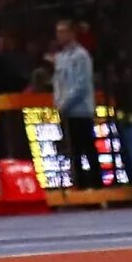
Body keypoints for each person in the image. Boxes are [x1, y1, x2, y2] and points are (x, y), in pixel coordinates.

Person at [48, 20, 100, 192]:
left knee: (87, 147)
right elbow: (58, 83)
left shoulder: (81, 56)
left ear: (71, 33)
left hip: (81, 109)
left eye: (63, 32)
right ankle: (79, 183)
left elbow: (81, 84)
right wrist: (57, 103)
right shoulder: (61, 57)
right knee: (73, 149)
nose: (60, 36)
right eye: (58, 32)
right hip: (66, 110)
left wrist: (65, 103)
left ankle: (96, 184)